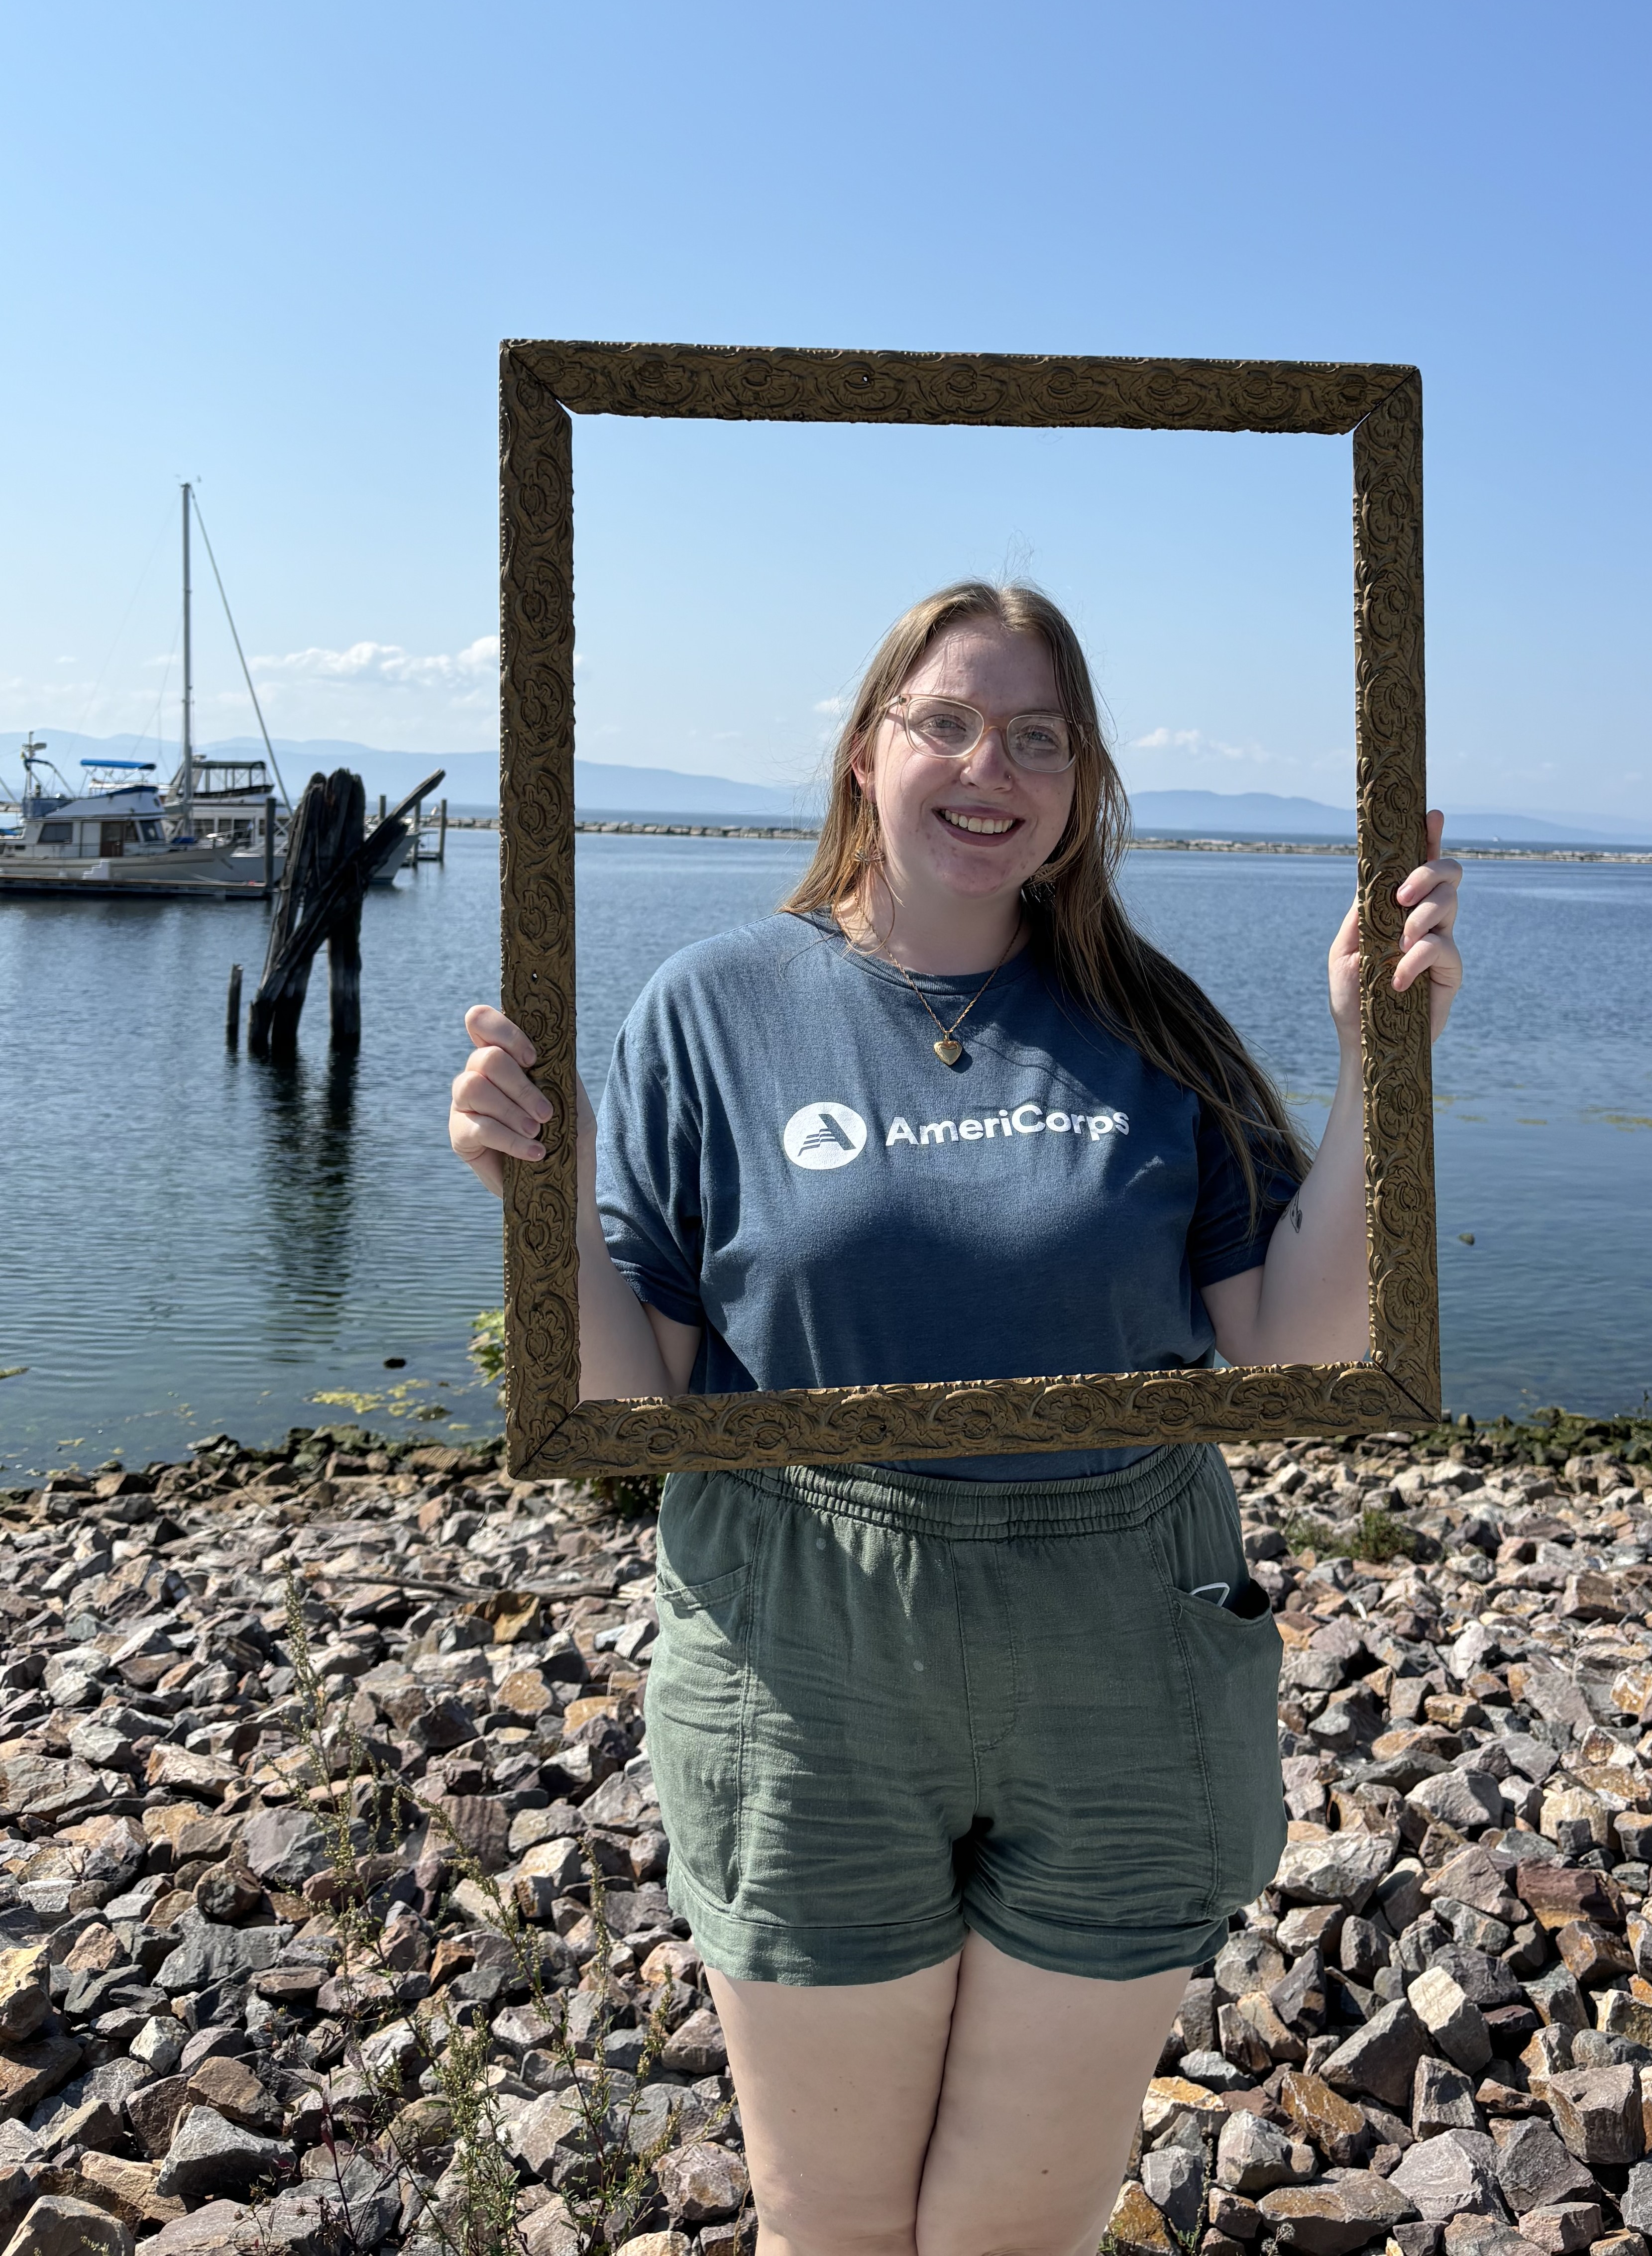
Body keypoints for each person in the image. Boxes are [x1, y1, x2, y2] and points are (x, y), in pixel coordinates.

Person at [448, 580, 1463, 2256]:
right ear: (868, 753)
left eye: (1040, 736)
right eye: (950, 721)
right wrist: (528, 1194)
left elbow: (1301, 1347)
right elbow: (630, 1405)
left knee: (1022, 2227)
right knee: (831, 2222)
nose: (993, 764)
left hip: (1123, 1660)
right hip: (803, 1659)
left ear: (1081, 788)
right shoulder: (710, 1012)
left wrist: (1384, 1068)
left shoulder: (1154, 1028)